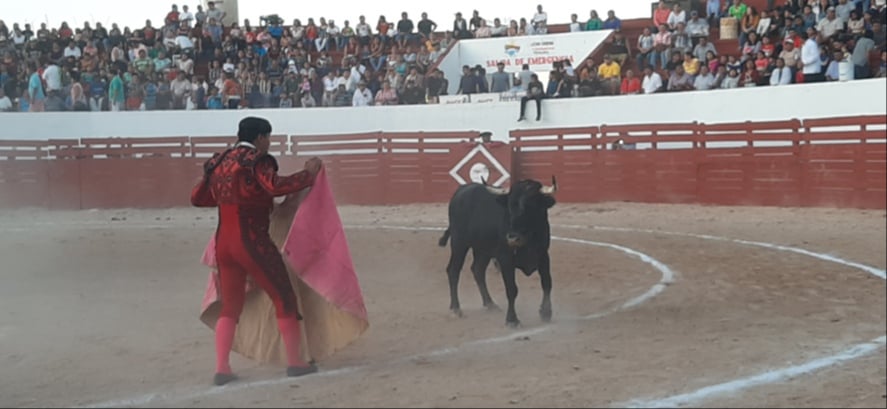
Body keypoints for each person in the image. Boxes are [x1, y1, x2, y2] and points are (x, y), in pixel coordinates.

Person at [190, 116, 323, 386]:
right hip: (251, 241)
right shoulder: (258, 160)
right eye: (269, 138)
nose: (269, 143)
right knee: (284, 297)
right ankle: (296, 363)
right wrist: (307, 175)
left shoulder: (218, 161)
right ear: (261, 137)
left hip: (223, 245)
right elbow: (274, 186)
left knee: (231, 305)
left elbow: (199, 198)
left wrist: (230, 195)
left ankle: (222, 369)